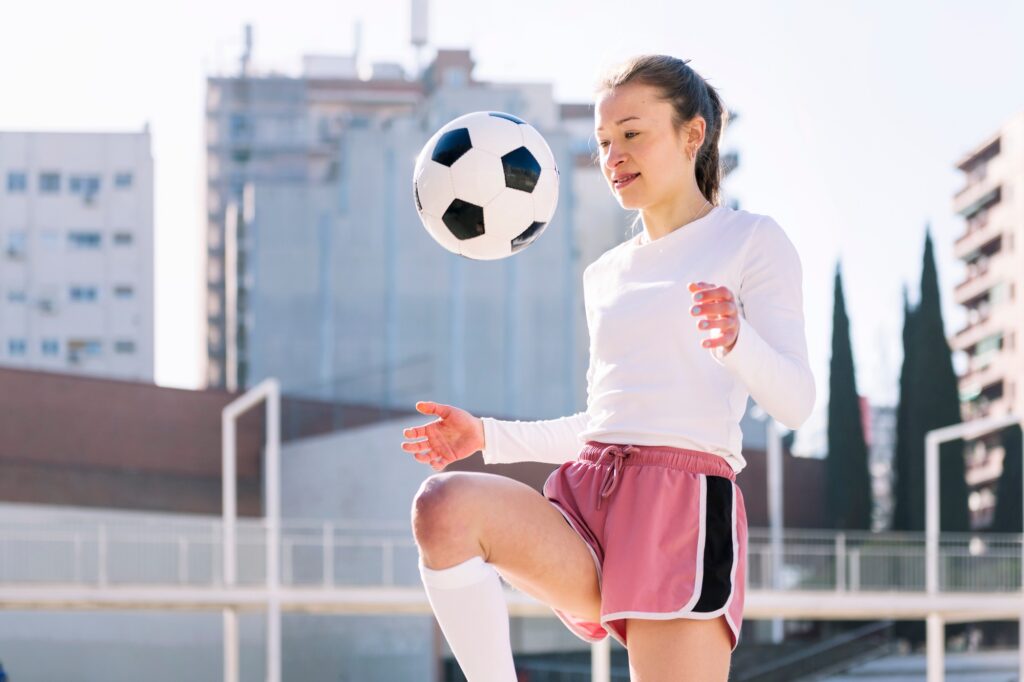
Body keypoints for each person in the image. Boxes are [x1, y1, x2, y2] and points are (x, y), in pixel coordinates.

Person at [404, 54, 815, 681]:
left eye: (631, 133)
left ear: (692, 134)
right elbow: (605, 420)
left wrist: (738, 342)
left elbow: (797, 402)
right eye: (602, 142)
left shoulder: (753, 241)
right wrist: (486, 435)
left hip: (680, 511)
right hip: (590, 495)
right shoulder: (605, 274)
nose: (613, 155)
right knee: (444, 508)